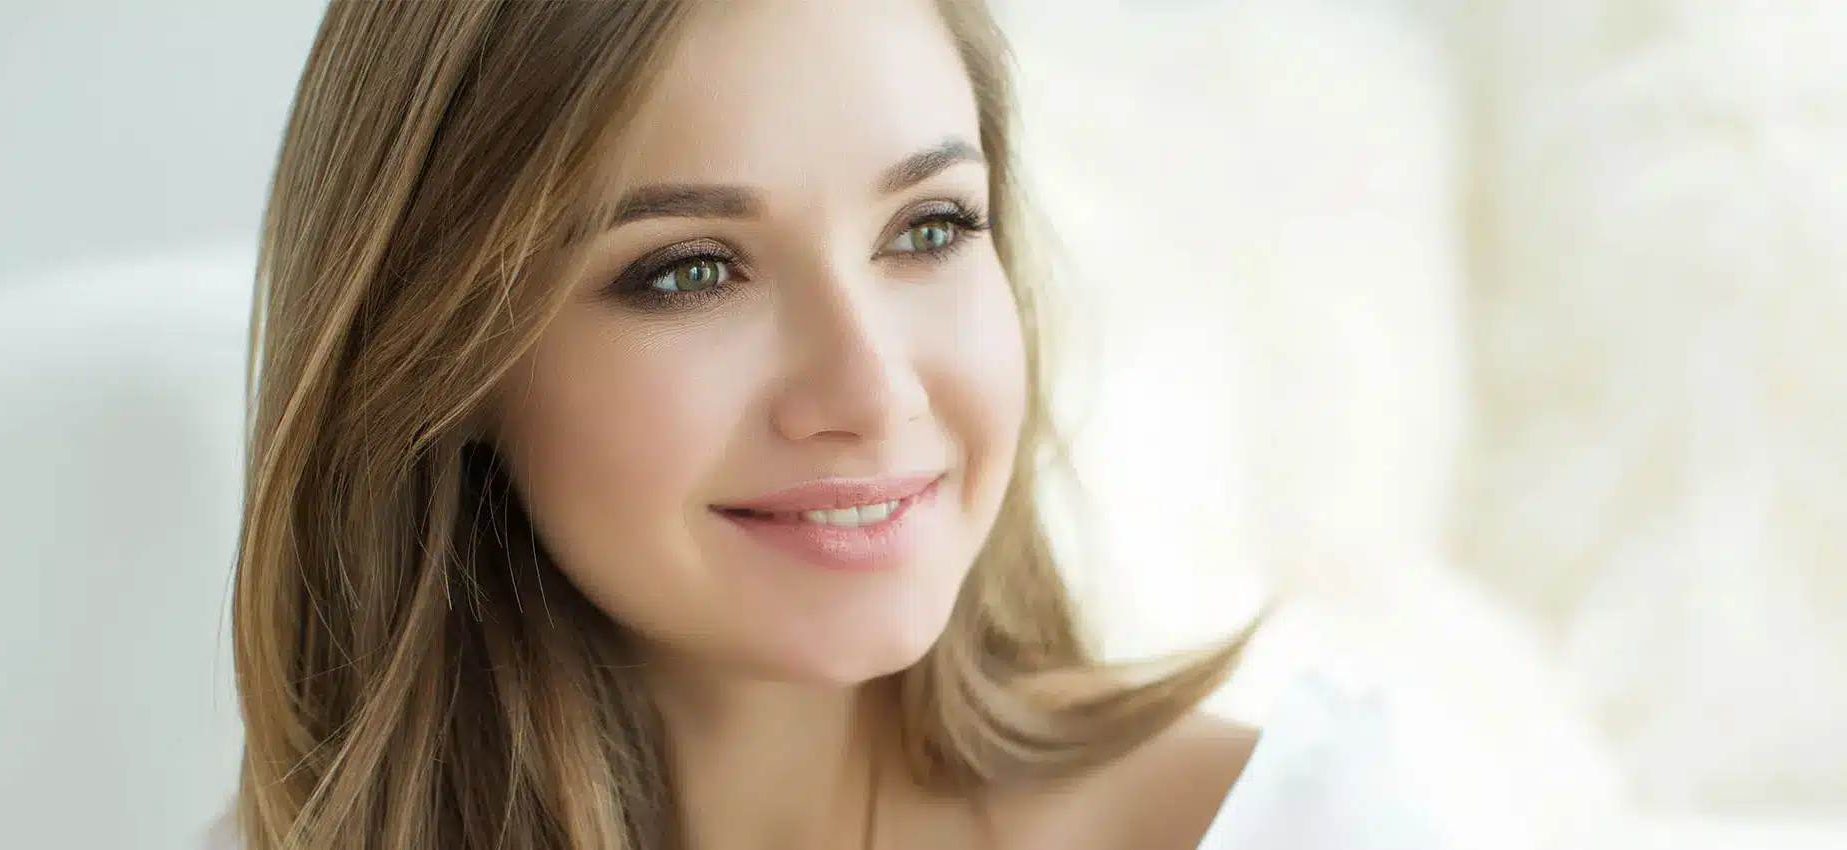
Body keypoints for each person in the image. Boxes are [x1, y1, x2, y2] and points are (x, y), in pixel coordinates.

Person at [218, 1, 1440, 848]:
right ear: (447, 361)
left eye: (928, 229)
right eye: (691, 271)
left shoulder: (1289, 826)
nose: (872, 392)